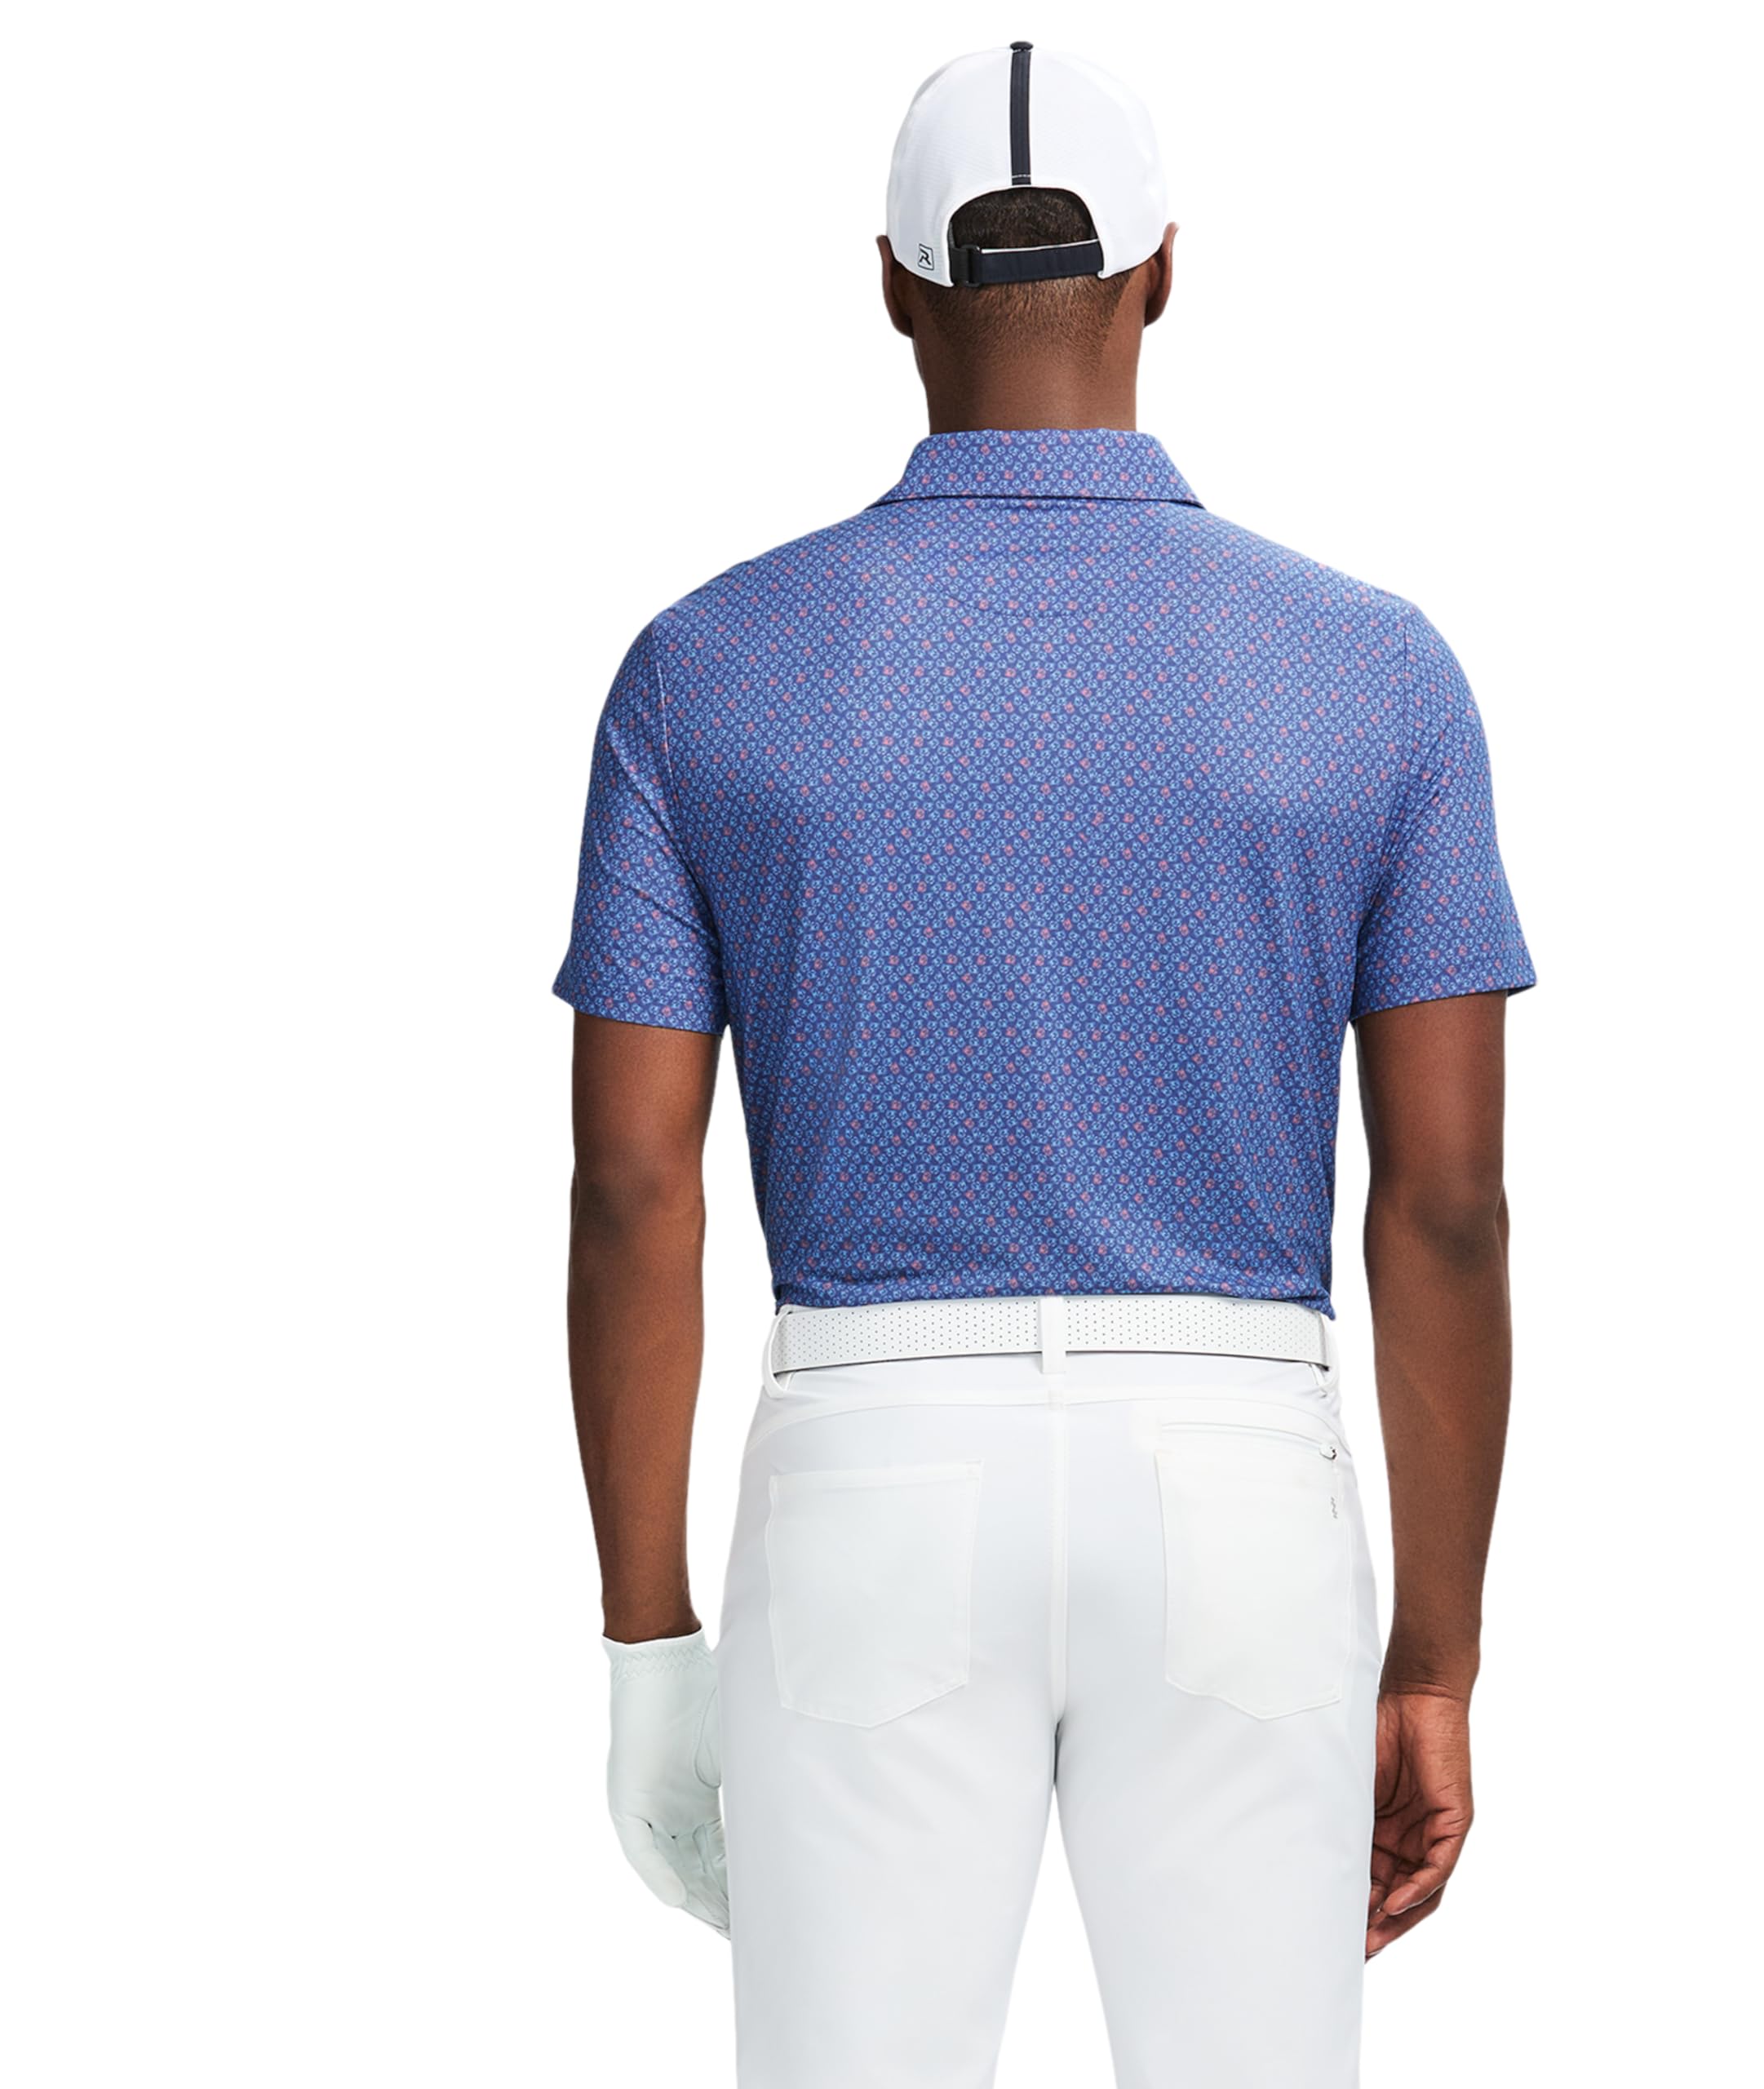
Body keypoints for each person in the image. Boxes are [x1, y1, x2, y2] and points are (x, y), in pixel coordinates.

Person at [556, 42, 1533, 2089]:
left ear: (891, 284)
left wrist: (648, 1637)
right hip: (1238, 1479)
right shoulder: (1374, 671)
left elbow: (637, 1182)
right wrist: (1431, 1655)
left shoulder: (703, 668)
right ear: (1162, 272)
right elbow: (1443, 1203)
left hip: (867, 1472)